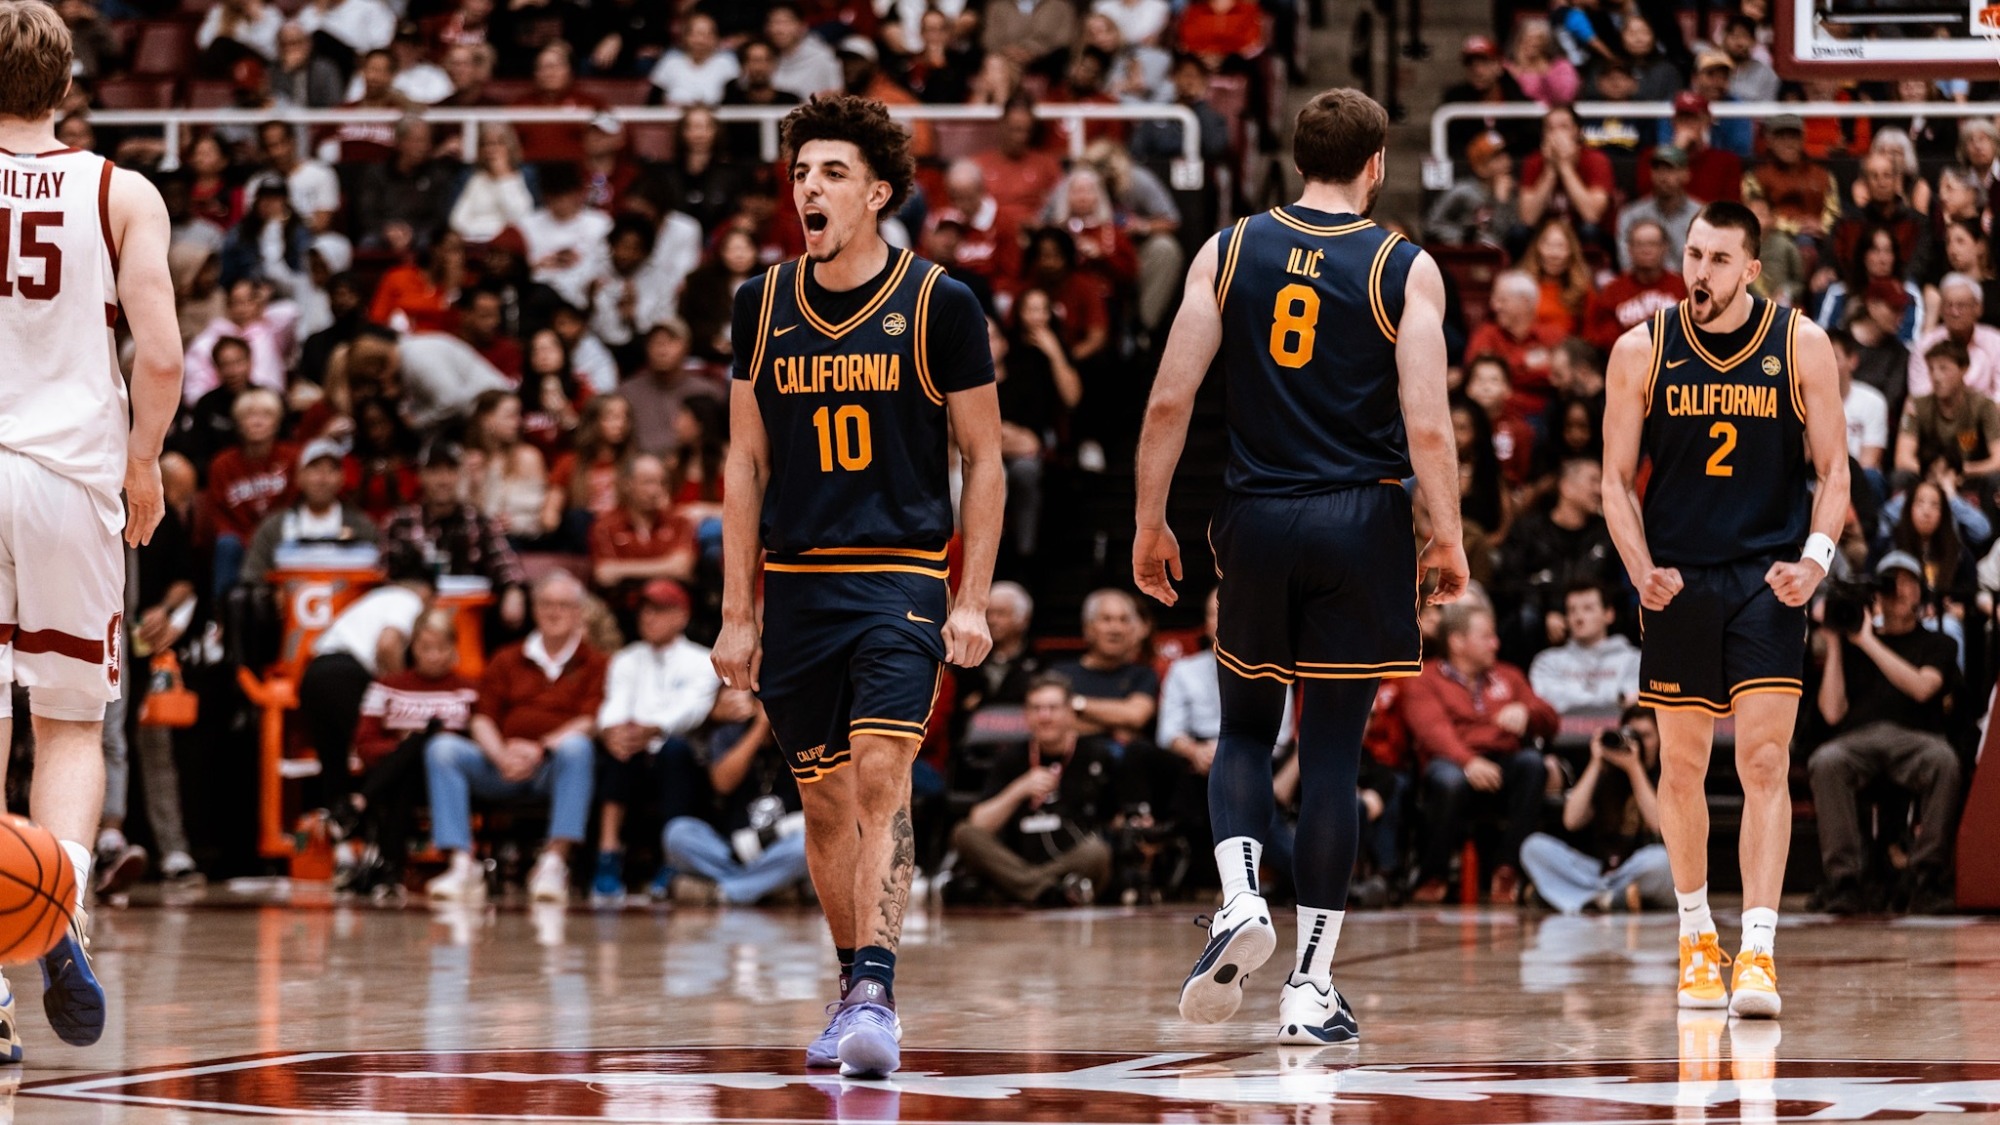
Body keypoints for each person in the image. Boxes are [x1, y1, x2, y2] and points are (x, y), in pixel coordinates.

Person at [1132, 89, 1467, 1045]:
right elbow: (1429, 422)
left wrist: (1151, 520)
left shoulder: (1227, 249)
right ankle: (1310, 987)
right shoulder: (1404, 265)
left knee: (1244, 732)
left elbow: (1168, 401)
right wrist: (1444, 534)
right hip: (1361, 518)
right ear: (1376, 165)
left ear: (1294, 158)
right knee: (1329, 754)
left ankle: (1240, 895)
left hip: (1257, 516)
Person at [712, 95, 1002, 1079]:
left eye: (831, 173)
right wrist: (734, 613)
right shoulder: (759, 304)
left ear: (878, 191)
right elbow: (742, 464)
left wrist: (971, 597)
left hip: (902, 575)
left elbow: (985, 459)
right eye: (801, 174)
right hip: (794, 582)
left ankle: (877, 987)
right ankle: (850, 987)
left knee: (883, 778)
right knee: (826, 804)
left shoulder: (939, 304)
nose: (810, 189)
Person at [1601, 201, 1849, 1019]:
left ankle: (1760, 952)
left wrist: (1815, 562)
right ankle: (1696, 935)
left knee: (1767, 764)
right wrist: (1640, 571)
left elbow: (1835, 472)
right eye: (1692, 254)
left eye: (1716, 260)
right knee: (1679, 767)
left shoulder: (1800, 342)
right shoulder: (1640, 348)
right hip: (1676, 577)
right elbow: (1614, 482)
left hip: (1764, 578)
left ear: (1751, 269)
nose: (1697, 273)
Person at [0, 0, 184, 1057]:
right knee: (69, 725)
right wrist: (144, 458)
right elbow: (158, 354)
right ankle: (53, 916)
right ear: (67, 85)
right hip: (69, 477)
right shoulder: (118, 188)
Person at [423, 570, 604, 904]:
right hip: (500, 764)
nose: (554, 612)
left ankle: (553, 863)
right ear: (534, 609)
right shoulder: (506, 658)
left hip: (552, 768)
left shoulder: (596, 663)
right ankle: (462, 864)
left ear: (579, 612)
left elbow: (590, 721)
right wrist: (501, 755)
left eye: (564, 605)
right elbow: (481, 720)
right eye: (547, 604)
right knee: (442, 748)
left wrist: (539, 749)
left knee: (578, 748)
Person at [1809, 552, 1962, 915]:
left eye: (1907, 582)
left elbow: (1924, 688)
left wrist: (1867, 643)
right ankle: (1845, 880)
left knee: (1945, 762)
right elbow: (1832, 711)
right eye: (1889, 583)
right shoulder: (1852, 642)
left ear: (1919, 594)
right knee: (1825, 762)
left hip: (1916, 739)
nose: (1897, 591)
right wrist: (1835, 642)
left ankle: (1925, 875)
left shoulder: (1938, 644)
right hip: (1857, 740)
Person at [1400, 601, 1559, 904]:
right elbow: (1432, 730)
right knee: (1448, 780)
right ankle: (1433, 875)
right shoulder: (1426, 677)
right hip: (1452, 765)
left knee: (1532, 764)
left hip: (1502, 764)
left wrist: (1527, 713)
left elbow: (1551, 719)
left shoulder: (1508, 675)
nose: (1495, 643)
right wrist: (1468, 761)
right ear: (1457, 642)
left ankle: (1507, 869)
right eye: (1486, 636)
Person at [594, 578, 719, 901]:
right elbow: (614, 703)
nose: (649, 617)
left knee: (675, 751)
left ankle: (672, 859)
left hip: (678, 752)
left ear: (682, 616)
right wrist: (612, 731)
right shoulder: (626, 658)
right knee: (619, 752)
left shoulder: (703, 660)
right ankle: (607, 855)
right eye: (646, 610)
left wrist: (652, 728)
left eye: (660, 610)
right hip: (633, 748)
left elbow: (693, 710)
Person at [949, 673, 1121, 904]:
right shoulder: (1010, 757)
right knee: (963, 833)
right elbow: (979, 823)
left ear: (1071, 712)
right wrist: (1019, 789)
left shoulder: (1096, 754)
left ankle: (1026, 889)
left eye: (1052, 708)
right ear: (1026, 715)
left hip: (1071, 861)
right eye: (1036, 708)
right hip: (1017, 857)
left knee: (1096, 852)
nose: (1044, 716)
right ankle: (1047, 892)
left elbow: (1115, 818)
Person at [1519, 704, 1673, 913]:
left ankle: (1565, 895)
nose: (1638, 741)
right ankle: (1608, 898)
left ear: (1660, 738)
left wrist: (1635, 769)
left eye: (1645, 736)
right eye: (1630, 734)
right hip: (1597, 870)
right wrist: (1596, 762)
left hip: (1637, 869)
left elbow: (1659, 826)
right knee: (1533, 847)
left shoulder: (1667, 773)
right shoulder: (1606, 772)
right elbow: (1571, 820)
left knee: (1661, 861)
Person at [1528, 581, 1641, 713]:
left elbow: (1635, 706)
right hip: (1565, 732)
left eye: (1588, 608)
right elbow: (1548, 706)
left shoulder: (1635, 660)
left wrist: (1574, 701)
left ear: (1609, 614)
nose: (1579, 618)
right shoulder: (1546, 662)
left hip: (1619, 733)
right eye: (1572, 610)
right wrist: (1617, 699)